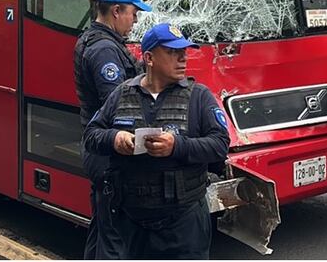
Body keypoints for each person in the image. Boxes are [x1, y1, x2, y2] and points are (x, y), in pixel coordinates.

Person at [83, 23, 229, 260]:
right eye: (173, 52)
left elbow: (220, 145)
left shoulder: (199, 96)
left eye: (184, 51)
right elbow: (91, 135)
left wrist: (177, 146)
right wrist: (114, 138)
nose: (183, 58)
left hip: (184, 224)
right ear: (149, 58)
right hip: (130, 222)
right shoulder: (121, 93)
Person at [75, 0, 151, 260]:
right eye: (134, 12)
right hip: (109, 154)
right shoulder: (104, 50)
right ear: (116, 11)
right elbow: (119, 105)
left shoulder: (98, 40)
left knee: (102, 228)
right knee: (115, 238)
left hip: (99, 149)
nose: (135, 20)